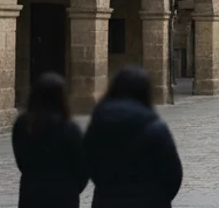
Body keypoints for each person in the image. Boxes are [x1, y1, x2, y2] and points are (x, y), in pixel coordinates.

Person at [84, 66, 183, 208]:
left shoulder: (98, 125)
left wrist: (107, 189)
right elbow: (173, 173)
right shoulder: (155, 128)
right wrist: (159, 197)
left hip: (106, 201)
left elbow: (87, 163)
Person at [12, 72, 89, 208]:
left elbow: (21, 159)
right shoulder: (69, 128)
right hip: (64, 193)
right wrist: (72, 188)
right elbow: (82, 167)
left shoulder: (22, 124)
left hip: (31, 190)